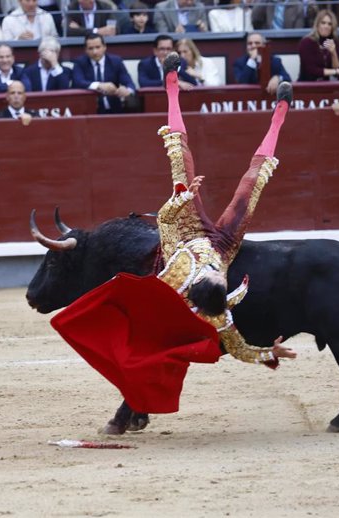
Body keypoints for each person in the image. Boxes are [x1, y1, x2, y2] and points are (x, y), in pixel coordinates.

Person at [51, 53, 297, 418]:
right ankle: (282, 109)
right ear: (223, 289)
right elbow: (243, 349)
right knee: (253, 182)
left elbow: (164, 222)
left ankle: (171, 82)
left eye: (214, 276)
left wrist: (183, 195)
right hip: (224, 244)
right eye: (220, 277)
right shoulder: (220, 314)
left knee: (179, 159)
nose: (217, 273)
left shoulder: (175, 273)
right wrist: (270, 354)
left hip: (186, 233)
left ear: (203, 284)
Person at [72, 33, 136, 114]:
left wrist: (128, 91)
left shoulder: (116, 61)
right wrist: (99, 85)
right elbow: (78, 82)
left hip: (114, 110)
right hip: (89, 111)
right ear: (85, 50)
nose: (95, 52)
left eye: (98, 47)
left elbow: (129, 82)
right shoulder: (80, 62)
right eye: (90, 48)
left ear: (104, 47)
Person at [298, 9, 339, 81]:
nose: (326, 26)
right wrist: (336, 71)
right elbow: (311, 70)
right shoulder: (306, 42)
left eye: (329, 24)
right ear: (317, 24)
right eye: (323, 23)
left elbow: (336, 68)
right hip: (306, 84)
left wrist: (333, 53)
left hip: (325, 85)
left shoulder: (334, 42)